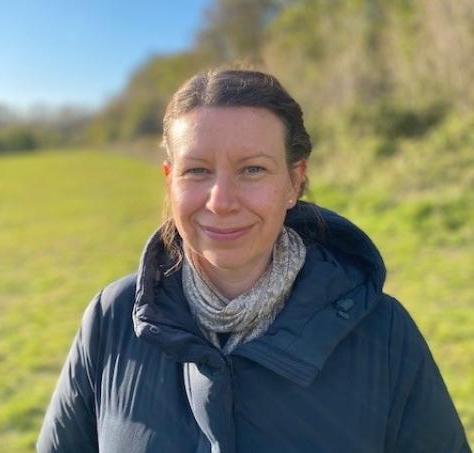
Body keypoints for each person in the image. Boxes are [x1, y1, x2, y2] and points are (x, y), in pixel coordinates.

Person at [37, 69, 471, 453]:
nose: (221, 201)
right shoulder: (112, 319)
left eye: (252, 170)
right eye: (197, 171)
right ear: (170, 181)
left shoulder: (385, 334)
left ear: (294, 181)